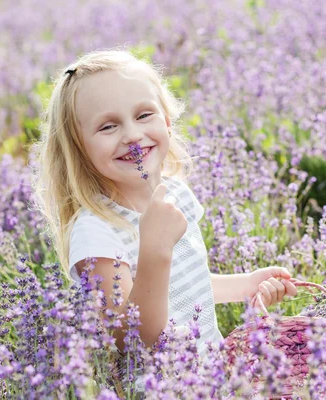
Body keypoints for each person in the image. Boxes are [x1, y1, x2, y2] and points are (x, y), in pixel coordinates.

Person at [30, 48, 298, 391]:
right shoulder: (95, 233)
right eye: (108, 126)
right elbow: (133, 339)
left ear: (167, 122)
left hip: (213, 375)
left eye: (144, 115)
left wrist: (246, 284)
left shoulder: (177, 195)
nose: (131, 134)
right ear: (78, 148)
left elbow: (186, 289)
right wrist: (155, 250)